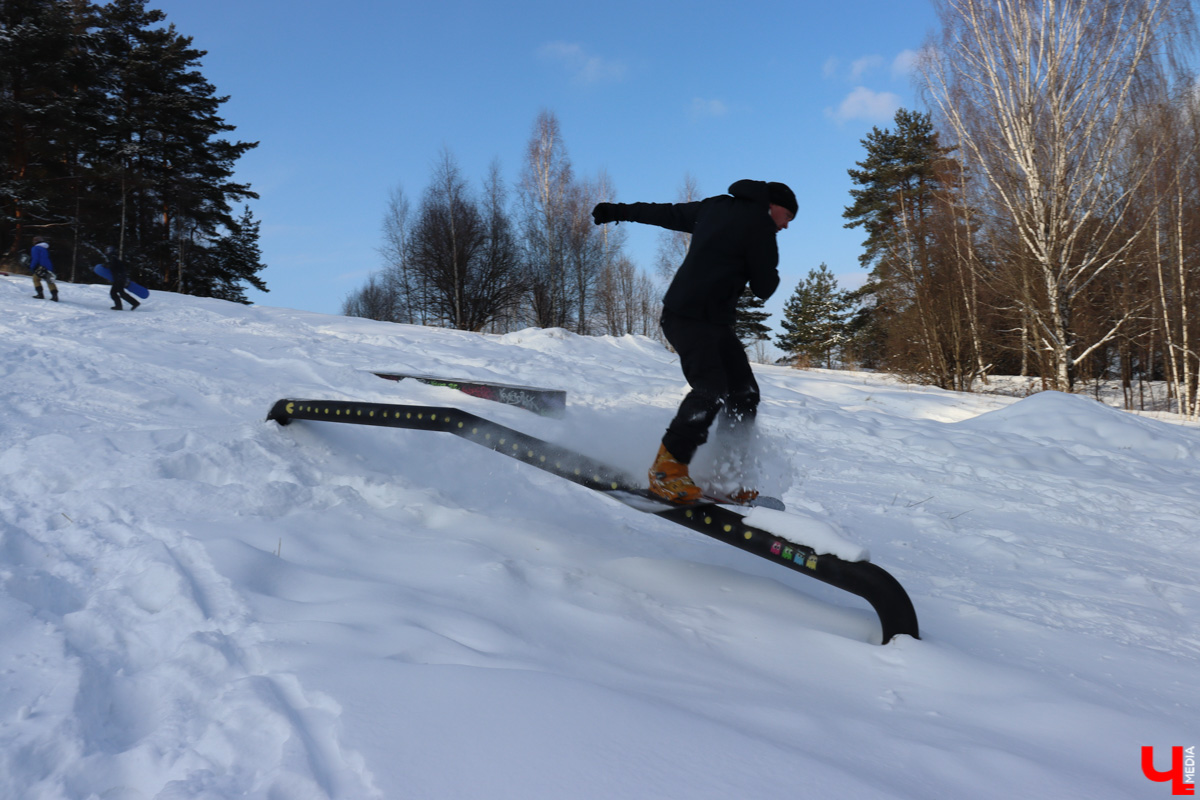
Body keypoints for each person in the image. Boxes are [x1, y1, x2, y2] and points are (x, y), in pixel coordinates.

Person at [592, 179, 796, 504]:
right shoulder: (761, 226)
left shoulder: (714, 207)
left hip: (698, 319)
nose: (785, 226)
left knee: (743, 392)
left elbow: (665, 214)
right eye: (787, 216)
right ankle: (667, 471)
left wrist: (616, 211)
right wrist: (766, 264)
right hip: (693, 320)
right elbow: (764, 287)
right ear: (772, 205)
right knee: (713, 389)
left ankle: (724, 475)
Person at [102, 246, 140, 310]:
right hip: (120, 278)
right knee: (118, 292)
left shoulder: (113, 258)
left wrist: (106, 265)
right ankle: (133, 303)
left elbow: (113, 266)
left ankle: (121, 306)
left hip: (119, 278)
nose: (106, 253)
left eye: (107, 251)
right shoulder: (114, 258)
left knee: (115, 293)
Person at [29, 236, 58, 302]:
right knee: (49, 280)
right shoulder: (45, 248)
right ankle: (55, 296)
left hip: (41, 267)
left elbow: (35, 259)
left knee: (36, 279)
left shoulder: (35, 248)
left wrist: (32, 266)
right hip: (49, 266)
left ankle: (40, 294)